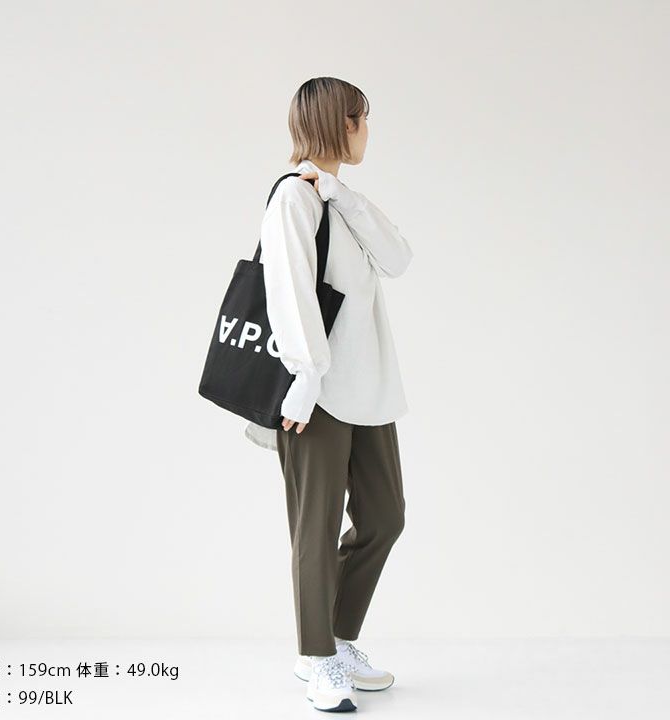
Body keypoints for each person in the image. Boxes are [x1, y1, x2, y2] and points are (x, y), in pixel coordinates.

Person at [243, 76, 413, 713]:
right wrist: (306, 376)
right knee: (315, 528)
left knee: (385, 517)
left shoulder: (337, 199)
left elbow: (398, 258)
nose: (368, 131)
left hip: (367, 388)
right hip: (315, 393)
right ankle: (317, 658)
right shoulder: (293, 198)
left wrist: (344, 194)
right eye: (363, 118)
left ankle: (337, 641)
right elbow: (286, 289)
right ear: (343, 123)